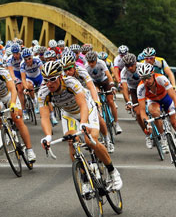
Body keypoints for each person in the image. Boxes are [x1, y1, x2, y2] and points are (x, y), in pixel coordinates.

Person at [38, 60, 123, 190]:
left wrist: (83, 124)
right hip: (68, 113)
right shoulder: (43, 92)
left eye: (52, 79)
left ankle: (113, 172)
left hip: (86, 109)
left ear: (60, 76)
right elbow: (44, 117)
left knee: (91, 140)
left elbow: (83, 105)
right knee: (72, 142)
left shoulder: (71, 83)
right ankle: (85, 179)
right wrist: (48, 136)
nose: (49, 83)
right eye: (45, 80)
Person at [137, 63, 176, 173]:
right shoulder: (141, 88)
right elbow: (142, 110)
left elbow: (174, 97)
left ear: (152, 74)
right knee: (154, 111)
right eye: (143, 78)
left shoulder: (161, 78)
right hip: (154, 102)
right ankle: (163, 136)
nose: (146, 81)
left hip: (167, 99)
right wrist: (147, 123)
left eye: (148, 77)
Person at [0, 53, 36, 163]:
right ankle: (6, 131)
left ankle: (29, 150)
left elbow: (13, 90)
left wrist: (13, 103)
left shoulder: (3, 72)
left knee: (17, 119)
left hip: (9, 95)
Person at [61, 51, 114, 153]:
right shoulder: (63, 75)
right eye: (65, 70)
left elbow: (91, 86)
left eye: (69, 69)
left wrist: (96, 101)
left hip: (85, 94)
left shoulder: (81, 70)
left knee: (98, 116)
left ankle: (107, 139)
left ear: (74, 66)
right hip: (72, 98)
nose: (67, 72)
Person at [85, 51, 122, 135]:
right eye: (89, 62)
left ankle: (116, 124)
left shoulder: (101, 63)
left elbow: (108, 75)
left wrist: (112, 85)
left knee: (111, 101)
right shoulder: (86, 67)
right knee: (96, 94)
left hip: (104, 80)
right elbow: (87, 81)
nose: (91, 64)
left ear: (96, 60)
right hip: (94, 82)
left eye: (92, 62)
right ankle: (100, 112)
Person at [119, 53, 146, 139]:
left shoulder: (142, 66)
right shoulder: (124, 72)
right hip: (134, 90)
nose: (130, 68)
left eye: (131, 65)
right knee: (138, 113)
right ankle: (147, 134)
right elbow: (125, 88)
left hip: (145, 87)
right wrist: (128, 101)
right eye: (127, 66)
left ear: (135, 63)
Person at [20, 47, 43, 114]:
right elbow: (23, 79)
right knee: (29, 87)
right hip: (30, 78)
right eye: (25, 59)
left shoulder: (37, 60)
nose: (28, 61)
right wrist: (26, 88)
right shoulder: (22, 64)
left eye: (29, 58)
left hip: (39, 76)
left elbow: (43, 71)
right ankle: (34, 101)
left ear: (32, 56)